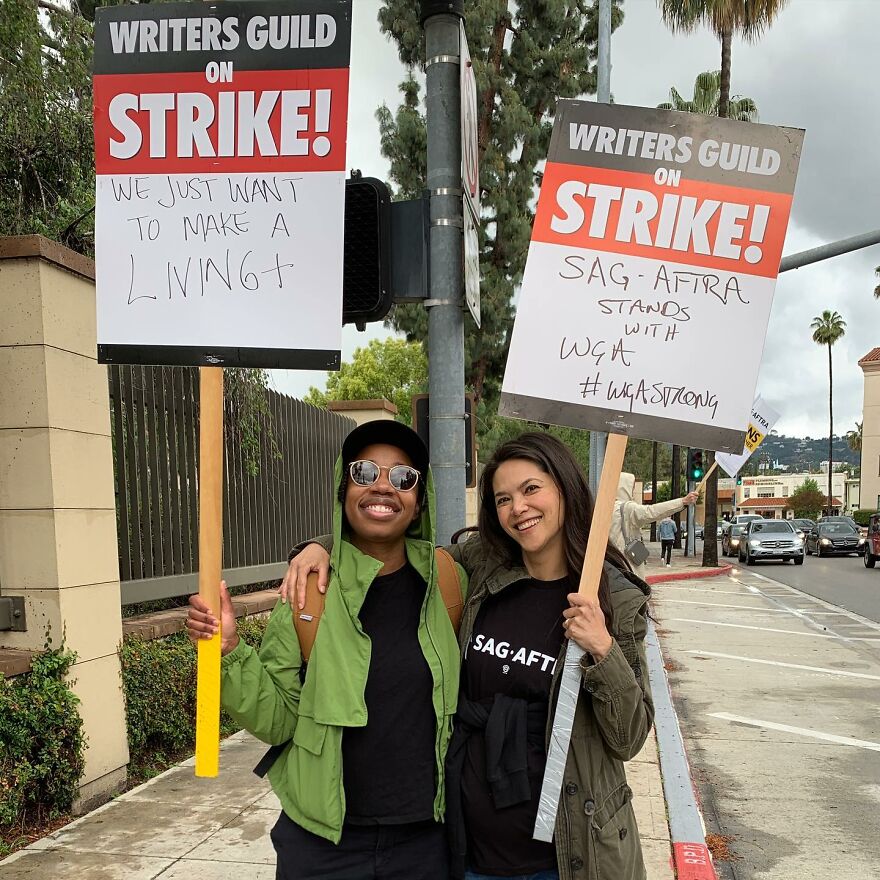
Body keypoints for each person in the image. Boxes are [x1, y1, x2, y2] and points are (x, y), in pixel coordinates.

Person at [283, 432, 654, 880]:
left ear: (564, 489)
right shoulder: (481, 564)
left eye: (531, 489)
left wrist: (603, 648)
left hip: (565, 854)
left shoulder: (614, 598)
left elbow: (628, 738)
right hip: (471, 852)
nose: (518, 508)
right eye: (502, 498)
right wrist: (321, 545)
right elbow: (394, 541)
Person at [187, 421, 465, 880]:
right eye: (364, 472)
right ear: (343, 490)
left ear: (418, 504)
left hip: (425, 844)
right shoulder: (306, 592)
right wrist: (230, 650)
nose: (382, 486)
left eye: (402, 478)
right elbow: (277, 720)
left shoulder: (450, 582)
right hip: (323, 848)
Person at [610, 473, 698, 579]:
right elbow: (652, 511)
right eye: (632, 487)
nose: (633, 491)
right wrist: (683, 502)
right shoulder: (627, 509)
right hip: (627, 567)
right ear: (625, 487)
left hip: (610, 565)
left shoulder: (604, 508)